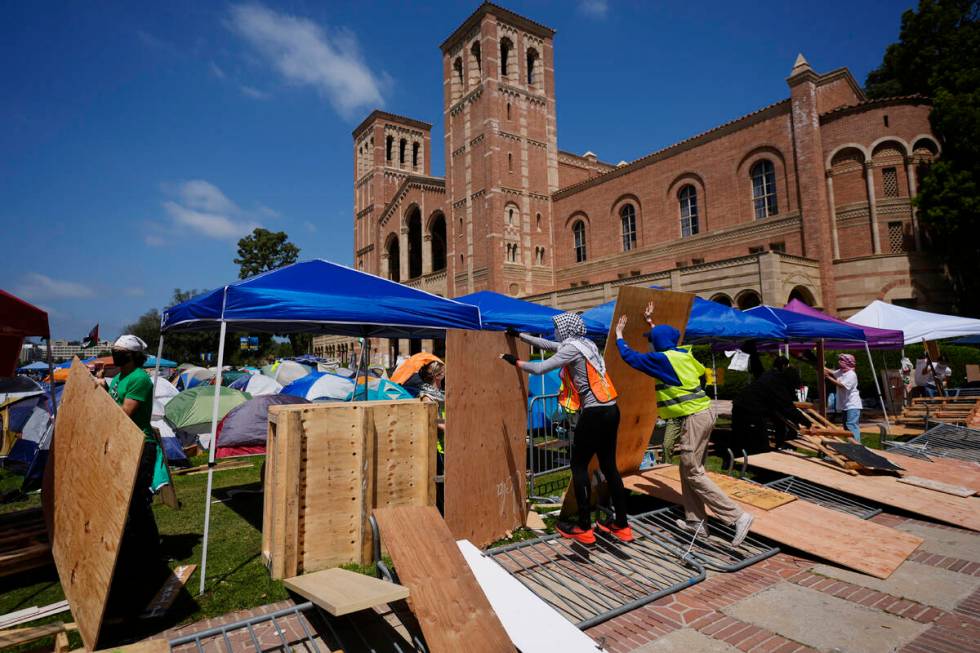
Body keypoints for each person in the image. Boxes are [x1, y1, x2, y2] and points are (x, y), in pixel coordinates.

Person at [614, 302, 754, 546]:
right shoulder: (682, 354)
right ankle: (696, 523)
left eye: (651, 339)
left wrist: (618, 336)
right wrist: (650, 322)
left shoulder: (662, 360)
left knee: (692, 471)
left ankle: (737, 516)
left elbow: (630, 357)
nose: (650, 343)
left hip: (694, 416)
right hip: (705, 411)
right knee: (687, 470)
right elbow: (668, 344)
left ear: (657, 344)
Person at [500, 314, 633, 545]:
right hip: (612, 409)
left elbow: (540, 368)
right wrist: (520, 336)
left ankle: (583, 527)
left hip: (594, 413)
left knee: (578, 466)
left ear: (566, 329)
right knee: (609, 466)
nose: (555, 332)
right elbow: (549, 345)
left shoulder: (571, 348)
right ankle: (622, 525)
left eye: (557, 328)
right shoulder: (586, 343)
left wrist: (514, 361)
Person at [98, 335, 168, 614]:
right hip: (123, 445)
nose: (116, 356)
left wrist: (103, 392)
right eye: (115, 351)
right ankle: (138, 550)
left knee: (138, 501)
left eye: (120, 353)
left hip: (140, 445)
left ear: (133, 356)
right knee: (129, 503)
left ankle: (149, 554)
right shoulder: (118, 379)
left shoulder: (139, 379)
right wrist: (103, 388)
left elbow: (124, 413)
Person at [732, 358, 806, 454]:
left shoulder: (768, 375)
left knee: (745, 435)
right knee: (760, 434)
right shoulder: (776, 379)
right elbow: (786, 404)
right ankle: (761, 453)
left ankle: (741, 454)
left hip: (745, 406)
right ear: (783, 366)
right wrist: (804, 421)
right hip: (751, 409)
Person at [825, 353, 862, 442]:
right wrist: (819, 364)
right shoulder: (841, 372)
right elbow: (831, 371)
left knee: (851, 425)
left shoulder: (851, 374)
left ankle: (856, 445)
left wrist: (828, 377)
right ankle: (851, 444)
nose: (839, 362)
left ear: (847, 362)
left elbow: (842, 385)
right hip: (846, 405)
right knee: (846, 426)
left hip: (852, 405)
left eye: (842, 360)